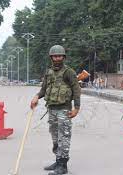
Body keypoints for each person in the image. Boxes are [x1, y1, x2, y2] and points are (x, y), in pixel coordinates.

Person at [30, 45, 81, 175]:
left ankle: (63, 165)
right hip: (52, 109)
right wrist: (36, 97)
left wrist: (76, 108)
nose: (57, 58)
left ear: (63, 57)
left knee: (64, 137)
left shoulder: (69, 72)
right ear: (51, 57)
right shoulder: (49, 72)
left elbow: (76, 90)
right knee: (55, 137)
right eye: (55, 56)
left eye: (59, 56)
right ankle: (58, 161)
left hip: (64, 110)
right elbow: (43, 89)